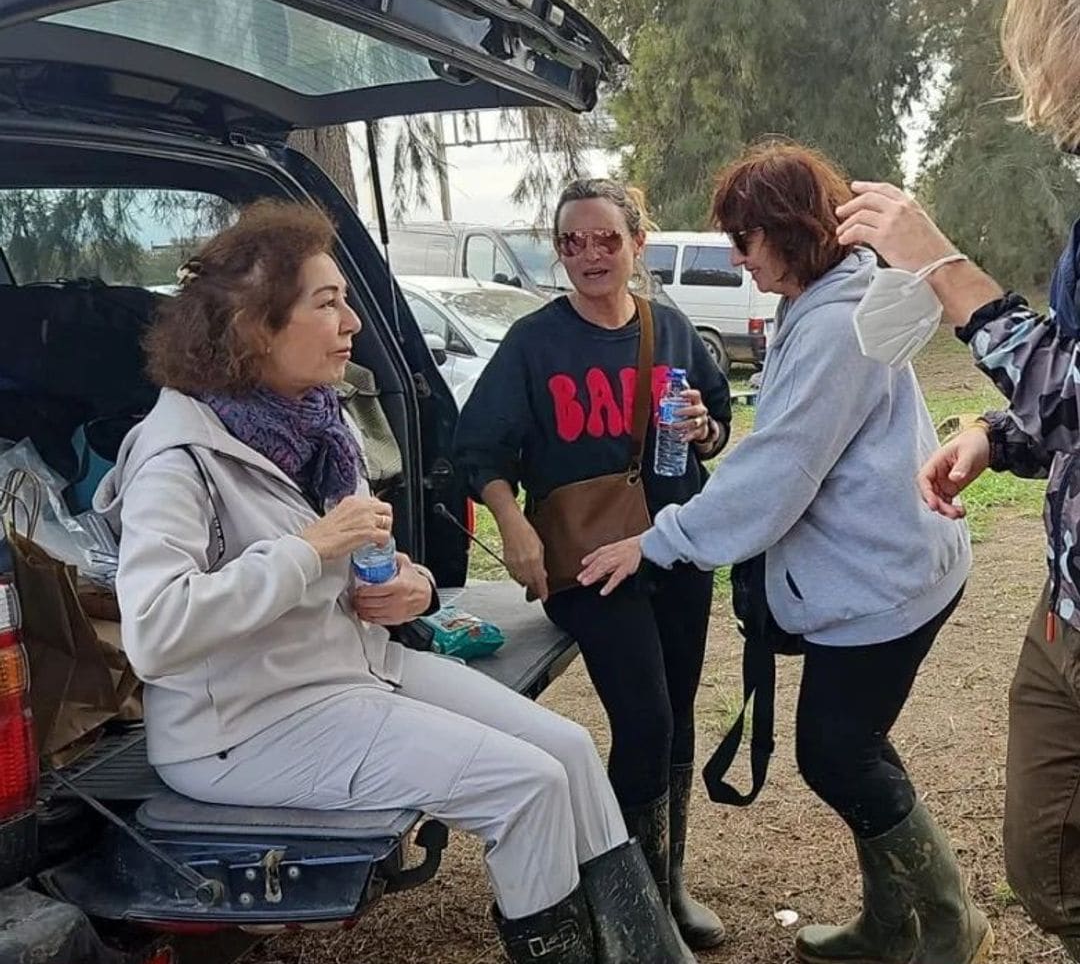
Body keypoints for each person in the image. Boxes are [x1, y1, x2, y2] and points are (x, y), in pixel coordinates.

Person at [95, 198, 695, 964]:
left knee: (571, 750)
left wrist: (408, 588)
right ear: (254, 327)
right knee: (528, 787)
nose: (352, 323)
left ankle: (643, 951)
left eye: (347, 301)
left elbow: (361, 566)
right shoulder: (176, 460)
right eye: (329, 303)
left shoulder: (314, 425)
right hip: (243, 726)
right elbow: (155, 633)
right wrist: (310, 550)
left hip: (352, 669)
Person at [580, 142, 993, 964]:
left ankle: (949, 924)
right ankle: (888, 924)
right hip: (897, 557)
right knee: (856, 744)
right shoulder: (830, 300)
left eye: (747, 237)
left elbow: (781, 471)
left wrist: (659, 542)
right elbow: (787, 449)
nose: (737, 256)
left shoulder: (838, 321)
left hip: (888, 576)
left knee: (837, 751)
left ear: (793, 232)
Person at [833, 0, 1080, 964]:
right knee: (1046, 864)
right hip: (1066, 608)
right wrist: (995, 433)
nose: (1041, 88)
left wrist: (939, 265)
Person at [454, 178, 732, 952]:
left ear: (637, 244)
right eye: (571, 241)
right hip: (586, 563)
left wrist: (704, 428)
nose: (589, 255)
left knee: (676, 718)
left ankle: (666, 883)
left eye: (606, 239)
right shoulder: (536, 343)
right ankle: (629, 911)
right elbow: (478, 450)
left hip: (675, 546)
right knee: (642, 721)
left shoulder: (670, 330)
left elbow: (715, 430)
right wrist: (514, 526)